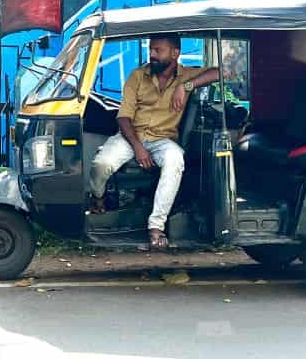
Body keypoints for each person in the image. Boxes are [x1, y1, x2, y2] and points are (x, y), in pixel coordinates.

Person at [88, 34, 220, 250]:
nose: (152, 54)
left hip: (163, 139)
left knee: (175, 160)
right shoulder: (138, 76)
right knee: (101, 164)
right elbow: (123, 117)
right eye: (151, 49)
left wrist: (186, 86)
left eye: (158, 50)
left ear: (175, 53)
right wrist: (138, 147)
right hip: (131, 136)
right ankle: (98, 198)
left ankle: (156, 227)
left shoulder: (186, 74)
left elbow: (221, 72)